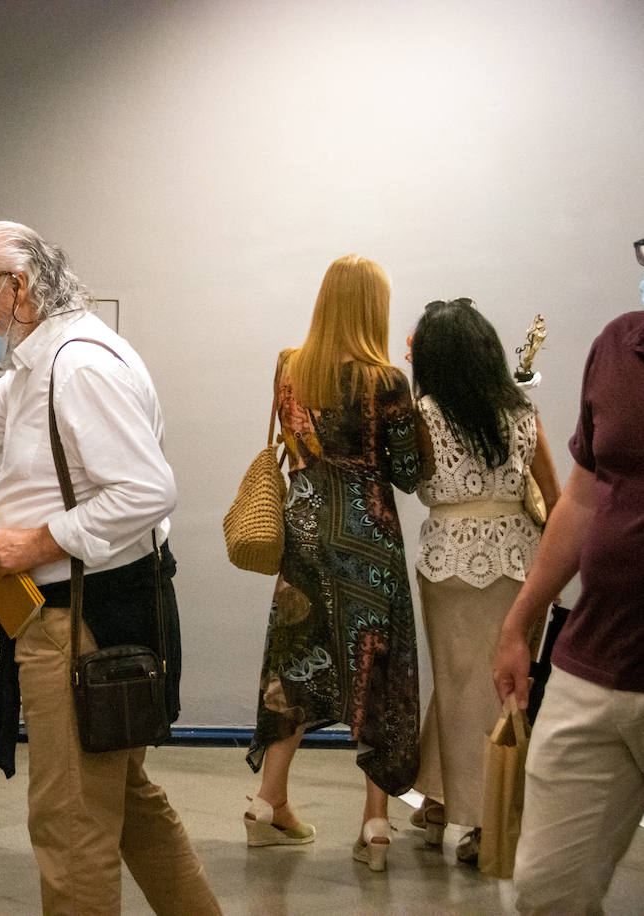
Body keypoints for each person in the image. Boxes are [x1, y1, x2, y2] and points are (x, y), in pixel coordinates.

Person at [0, 221, 219, 914]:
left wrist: (39, 542)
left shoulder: (79, 367)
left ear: (16, 289)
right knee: (127, 806)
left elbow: (148, 492)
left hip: (81, 622)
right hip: (83, 614)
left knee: (71, 827)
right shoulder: (41, 361)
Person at [244, 255, 429, 872]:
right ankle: (376, 822)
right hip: (369, 541)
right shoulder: (388, 382)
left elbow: (293, 447)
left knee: (294, 663)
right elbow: (407, 474)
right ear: (373, 308)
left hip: (303, 534)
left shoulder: (288, 368)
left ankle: (269, 803)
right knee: (379, 673)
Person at [493, 239, 644, 914]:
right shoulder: (618, 348)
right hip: (593, 663)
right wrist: (521, 619)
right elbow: (581, 500)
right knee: (546, 888)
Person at [406, 299, 561, 866]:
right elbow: (555, 496)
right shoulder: (523, 412)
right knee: (504, 693)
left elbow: (410, 479)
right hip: (521, 562)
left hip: (447, 562)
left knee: (458, 688)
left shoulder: (422, 416)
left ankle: (477, 819)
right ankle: (453, 804)